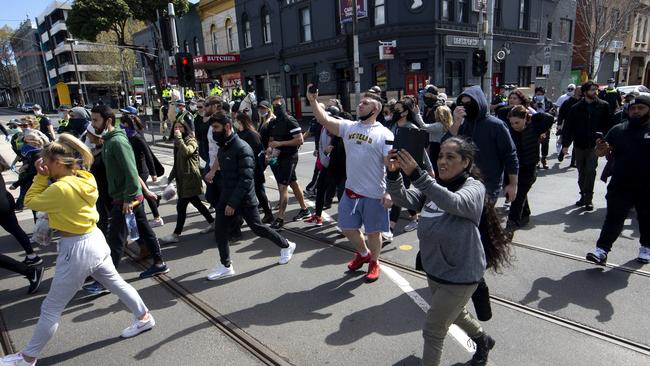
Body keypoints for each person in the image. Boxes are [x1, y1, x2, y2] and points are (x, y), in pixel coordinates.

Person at [0, 134, 155, 366]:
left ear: (58, 163)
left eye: (46, 161)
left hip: (76, 248)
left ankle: (27, 357)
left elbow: (30, 201)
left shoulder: (60, 188)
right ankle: (144, 317)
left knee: (51, 307)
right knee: (116, 283)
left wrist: (41, 178)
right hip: (95, 239)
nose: (43, 164)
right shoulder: (86, 177)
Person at [386, 137, 510, 366]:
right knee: (457, 313)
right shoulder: (434, 186)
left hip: (460, 274)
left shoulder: (474, 188)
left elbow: (454, 202)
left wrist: (418, 175)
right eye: (440, 155)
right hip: (435, 270)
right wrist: (393, 174)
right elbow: (403, 198)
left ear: (466, 162)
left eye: (450, 157)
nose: (442, 161)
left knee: (433, 330)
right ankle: (483, 340)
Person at [307, 86, 393, 282]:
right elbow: (325, 120)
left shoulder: (385, 134)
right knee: (346, 227)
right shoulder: (349, 127)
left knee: (373, 232)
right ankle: (363, 254)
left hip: (374, 194)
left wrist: (389, 192)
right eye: (360, 102)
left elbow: (391, 166)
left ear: (376, 109)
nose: (360, 105)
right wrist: (313, 102)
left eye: (365, 103)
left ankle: (374, 261)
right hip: (351, 191)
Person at [83, 106, 169, 295]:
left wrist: (130, 198)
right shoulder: (108, 141)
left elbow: (131, 171)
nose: (92, 124)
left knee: (115, 238)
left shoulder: (117, 142)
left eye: (96, 120)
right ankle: (159, 262)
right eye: (92, 120)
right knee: (144, 229)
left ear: (108, 121)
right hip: (124, 196)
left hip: (125, 198)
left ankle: (107, 281)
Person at [205, 112, 297, 280]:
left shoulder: (242, 148)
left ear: (227, 127)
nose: (214, 131)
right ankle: (226, 266)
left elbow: (246, 179)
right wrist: (213, 175)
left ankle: (286, 245)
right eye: (212, 128)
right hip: (228, 195)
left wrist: (232, 203)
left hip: (244, 199)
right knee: (220, 230)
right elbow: (224, 170)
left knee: (258, 228)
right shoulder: (224, 146)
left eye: (216, 128)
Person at [586, 95, 650, 265]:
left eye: (641, 108)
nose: (636, 112)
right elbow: (601, 152)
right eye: (633, 109)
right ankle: (601, 250)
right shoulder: (618, 129)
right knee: (614, 217)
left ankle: (645, 247)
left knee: (646, 218)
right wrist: (602, 148)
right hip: (621, 183)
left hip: (647, 185)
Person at [450, 86, 519, 205]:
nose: (466, 106)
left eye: (469, 103)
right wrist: (456, 122)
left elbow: (510, 155)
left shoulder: (496, 125)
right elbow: (449, 144)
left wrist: (513, 184)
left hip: (489, 184)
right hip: (465, 183)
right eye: (463, 104)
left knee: (484, 219)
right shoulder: (464, 124)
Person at [160, 120, 214, 243]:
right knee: (197, 203)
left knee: (181, 207)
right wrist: (169, 179)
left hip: (190, 179)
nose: (177, 129)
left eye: (180, 127)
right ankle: (213, 222)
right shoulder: (178, 143)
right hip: (182, 180)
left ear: (186, 128)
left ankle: (175, 234)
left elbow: (186, 152)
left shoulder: (191, 141)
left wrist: (178, 138)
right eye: (176, 127)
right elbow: (176, 164)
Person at [562, 80, 611, 211]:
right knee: (581, 171)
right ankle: (583, 195)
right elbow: (568, 128)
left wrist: (607, 141)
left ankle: (588, 198)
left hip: (595, 145)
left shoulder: (603, 106)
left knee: (590, 170)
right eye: (591, 90)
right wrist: (565, 145)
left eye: (596, 90)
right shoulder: (575, 108)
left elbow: (608, 125)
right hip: (579, 144)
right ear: (584, 92)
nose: (594, 92)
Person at [505, 106, 555, 233]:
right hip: (513, 169)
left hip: (529, 168)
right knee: (517, 194)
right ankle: (525, 214)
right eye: (512, 122)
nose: (514, 125)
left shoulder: (535, 127)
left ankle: (511, 226)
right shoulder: (508, 131)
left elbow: (549, 118)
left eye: (517, 122)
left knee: (518, 197)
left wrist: (533, 113)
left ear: (525, 119)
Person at [267, 96, 312, 229]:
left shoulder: (290, 120)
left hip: (290, 157)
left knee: (283, 186)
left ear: (284, 106)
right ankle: (305, 209)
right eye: (274, 106)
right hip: (278, 157)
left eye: (279, 105)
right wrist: (270, 149)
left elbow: (300, 140)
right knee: (293, 182)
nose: (276, 108)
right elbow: (272, 138)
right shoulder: (275, 122)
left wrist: (280, 143)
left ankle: (280, 218)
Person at [120, 114, 164, 228]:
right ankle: (155, 203)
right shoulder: (127, 136)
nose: (120, 125)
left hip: (142, 171)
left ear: (127, 124)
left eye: (122, 123)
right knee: (145, 192)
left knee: (142, 193)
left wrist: (153, 173)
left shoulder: (137, 137)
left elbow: (148, 154)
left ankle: (154, 218)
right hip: (135, 169)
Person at [235, 111, 274, 223]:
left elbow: (257, 153)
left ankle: (268, 214)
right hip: (244, 168)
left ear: (241, 121)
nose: (235, 123)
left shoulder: (252, 135)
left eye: (236, 121)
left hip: (254, 169)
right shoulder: (239, 133)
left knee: (259, 191)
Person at [556, 85, 583, 165]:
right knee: (566, 143)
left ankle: (573, 162)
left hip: (580, 126)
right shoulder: (568, 102)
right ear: (575, 91)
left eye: (581, 90)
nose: (580, 92)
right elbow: (561, 113)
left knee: (576, 145)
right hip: (569, 126)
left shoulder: (583, 101)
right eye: (578, 90)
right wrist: (559, 124)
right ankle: (562, 152)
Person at [532, 86, 555, 169]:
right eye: (537, 94)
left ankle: (544, 159)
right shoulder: (531, 101)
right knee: (536, 143)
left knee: (545, 142)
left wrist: (548, 112)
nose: (539, 95)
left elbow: (553, 112)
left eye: (541, 94)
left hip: (545, 124)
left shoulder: (548, 101)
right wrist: (534, 105)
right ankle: (537, 160)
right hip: (535, 124)